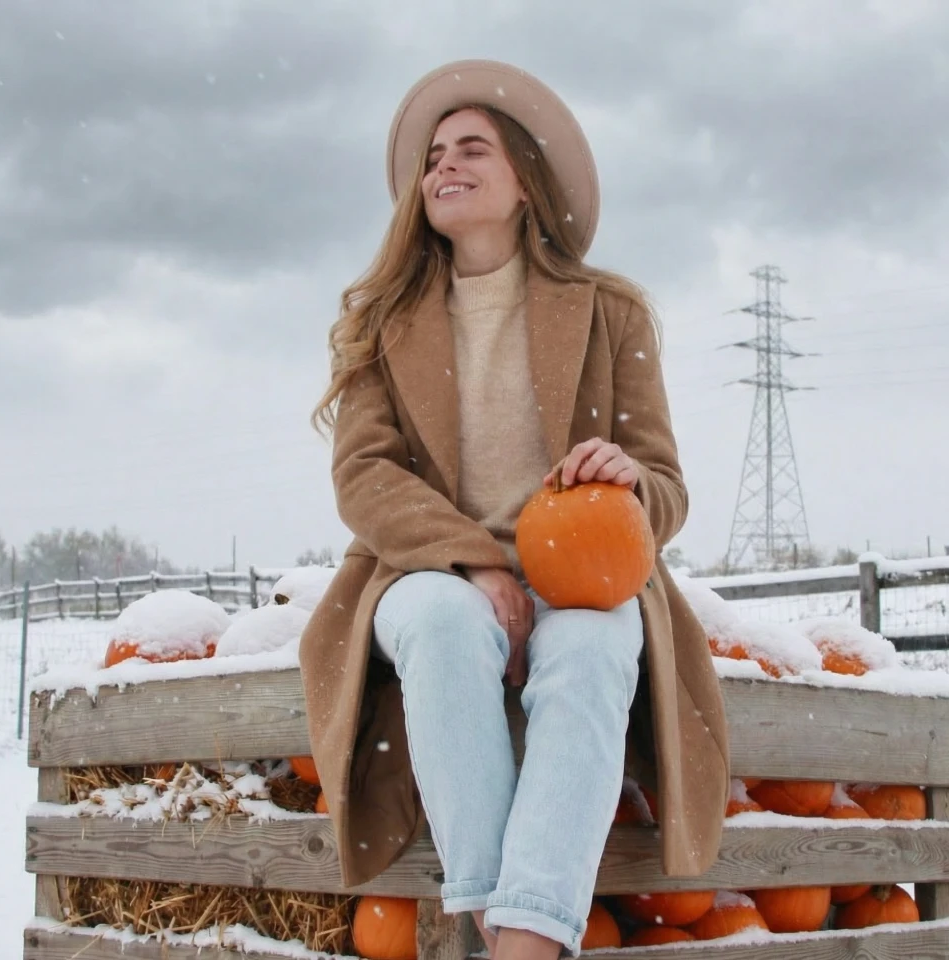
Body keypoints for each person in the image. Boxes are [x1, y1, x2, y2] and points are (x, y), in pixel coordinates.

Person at [300, 60, 729, 960]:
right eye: (433, 158)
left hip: (581, 575)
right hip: (426, 570)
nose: (443, 167)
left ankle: (514, 941)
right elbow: (364, 477)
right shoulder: (386, 323)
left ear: (526, 182)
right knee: (443, 623)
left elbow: (666, 486)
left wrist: (629, 482)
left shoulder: (610, 313)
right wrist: (476, 560)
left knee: (595, 645)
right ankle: (520, 936)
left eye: (471, 150)